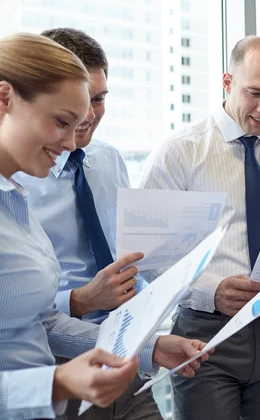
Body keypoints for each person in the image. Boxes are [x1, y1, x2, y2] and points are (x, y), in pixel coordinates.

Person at [0, 33, 208, 420]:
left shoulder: (10, 196)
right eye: (61, 122)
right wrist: (57, 383)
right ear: (3, 99)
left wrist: (151, 347)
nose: (71, 143)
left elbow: (40, 322)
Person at [139, 35, 260, 420]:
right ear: (227, 83)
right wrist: (210, 292)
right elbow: (148, 258)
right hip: (205, 336)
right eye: (255, 93)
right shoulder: (180, 152)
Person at [14, 28, 161, 419]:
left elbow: (124, 257)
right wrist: (80, 301)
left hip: (126, 356)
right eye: (78, 102)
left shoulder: (110, 161)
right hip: (59, 368)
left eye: (98, 99)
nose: (89, 114)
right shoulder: (14, 181)